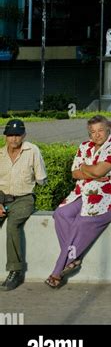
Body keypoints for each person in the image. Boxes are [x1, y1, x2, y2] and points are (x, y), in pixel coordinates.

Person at [45, 115, 111, 288]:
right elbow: (75, 173)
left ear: (108, 129)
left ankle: (57, 271)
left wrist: (85, 168)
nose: (97, 135)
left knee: (81, 222)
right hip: (84, 193)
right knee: (61, 213)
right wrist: (91, 173)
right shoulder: (84, 146)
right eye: (92, 132)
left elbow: (98, 171)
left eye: (100, 130)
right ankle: (74, 258)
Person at [0, 119, 47, 291]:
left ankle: (15, 271)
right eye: (10, 135)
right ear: (5, 137)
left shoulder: (32, 150)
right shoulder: (0, 154)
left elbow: (42, 179)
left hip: (24, 198)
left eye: (17, 135)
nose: (14, 139)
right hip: (2, 198)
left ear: (24, 135)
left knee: (13, 225)